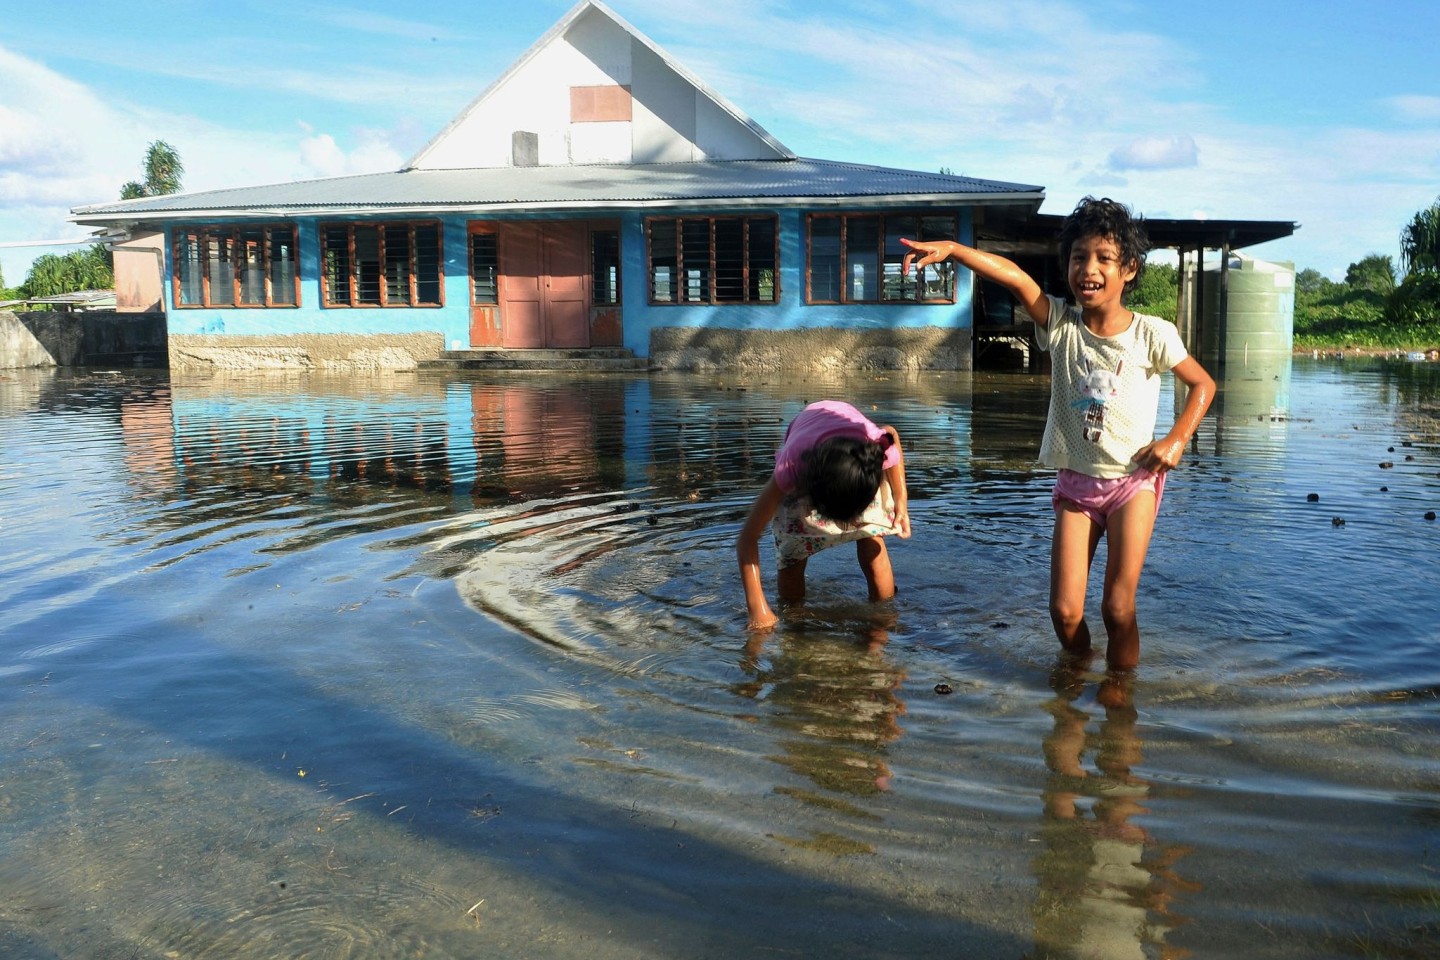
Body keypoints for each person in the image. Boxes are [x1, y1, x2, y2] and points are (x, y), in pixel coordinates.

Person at [901, 196, 1215, 670]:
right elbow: (1014, 277)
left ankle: (1119, 696)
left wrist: (1175, 441)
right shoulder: (1061, 324)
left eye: (1104, 258)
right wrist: (955, 250)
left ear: (1128, 269)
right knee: (1064, 612)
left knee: (1117, 607)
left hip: (1134, 483)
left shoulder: (1153, 333)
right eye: (1078, 257)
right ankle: (1078, 671)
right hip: (1076, 485)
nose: (1088, 268)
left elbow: (1202, 385)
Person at [737, 400, 911, 631]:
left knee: (872, 538)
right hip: (812, 470)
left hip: (853, 465)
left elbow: (890, 434)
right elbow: (747, 539)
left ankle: (884, 615)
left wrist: (901, 503)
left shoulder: (872, 448)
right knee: (792, 555)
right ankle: (795, 620)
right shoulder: (792, 466)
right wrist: (758, 609)